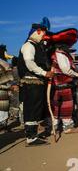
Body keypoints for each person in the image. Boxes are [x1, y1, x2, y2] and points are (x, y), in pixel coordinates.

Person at [17, 17, 53, 146]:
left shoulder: (37, 46)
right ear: (38, 31)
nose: (44, 36)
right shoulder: (28, 46)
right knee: (32, 109)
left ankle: (34, 134)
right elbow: (29, 63)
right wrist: (44, 73)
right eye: (43, 33)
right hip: (31, 84)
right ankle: (31, 137)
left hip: (37, 84)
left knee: (36, 108)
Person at [44, 28, 78, 134]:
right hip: (63, 84)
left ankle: (54, 128)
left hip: (56, 85)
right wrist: (76, 75)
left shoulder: (54, 54)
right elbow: (65, 69)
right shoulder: (60, 54)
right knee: (66, 105)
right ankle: (67, 127)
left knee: (56, 106)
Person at [0, 45, 16, 130]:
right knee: (3, 110)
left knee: (3, 110)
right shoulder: (3, 63)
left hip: (4, 89)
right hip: (3, 90)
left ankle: (4, 125)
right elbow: (9, 77)